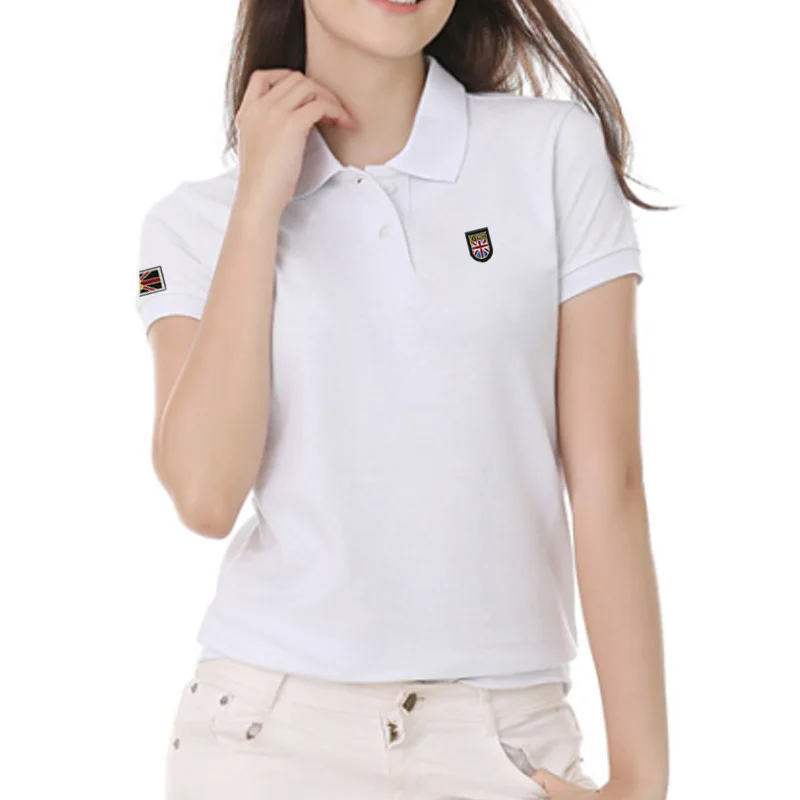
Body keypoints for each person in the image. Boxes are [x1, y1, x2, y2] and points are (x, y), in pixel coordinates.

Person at [135, 1, 671, 798]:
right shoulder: (192, 223)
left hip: (504, 740)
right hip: (265, 737)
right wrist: (256, 204)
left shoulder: (550, 152)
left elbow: (609, 481)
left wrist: (641, 780)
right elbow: (206, 495)